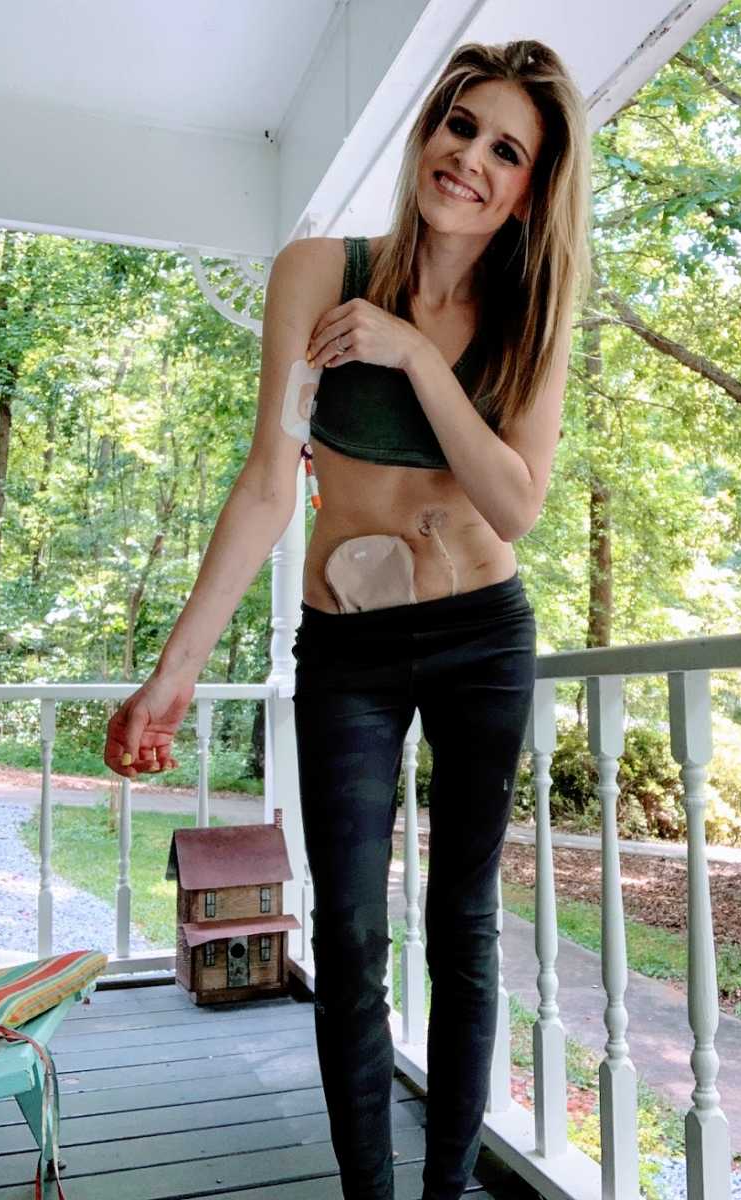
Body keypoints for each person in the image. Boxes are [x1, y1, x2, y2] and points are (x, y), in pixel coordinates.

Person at [104, 37, 591, 1200]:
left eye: (505, 148)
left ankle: (445, 1191)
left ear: (531, 188)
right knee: (355, 938)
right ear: (428, 131)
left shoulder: (530, 319)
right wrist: (174, 671)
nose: (469, 157)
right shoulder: (319, 270)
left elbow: (515, 505)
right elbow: (271, 484)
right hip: (349, 653)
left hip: (482, 638)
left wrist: (417, 353)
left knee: (463, 930)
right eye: (459, 125)